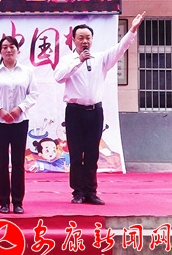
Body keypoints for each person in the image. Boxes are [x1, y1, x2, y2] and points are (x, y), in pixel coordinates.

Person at [53, 13, 145, 205]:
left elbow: (121, 48)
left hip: (95, 112)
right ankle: (77, 192)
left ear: (92, 40)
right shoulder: (68, 60)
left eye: (88, 38)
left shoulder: (101, 59)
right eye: (80, 38)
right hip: (74, 112)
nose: (85, 41)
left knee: (92, 153)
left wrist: (132, 29)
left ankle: (91, 192)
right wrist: (78, 61)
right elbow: (58, 77)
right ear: (74, 40)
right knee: (76, 153)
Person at [0, 36, 39, 214]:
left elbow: (33, 94)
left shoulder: (27, 72)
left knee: (18, 163)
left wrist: (19, 109)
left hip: (19, 121)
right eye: (5, 47)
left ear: (18, 50)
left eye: (12, 47)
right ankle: (3, 202)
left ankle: (18, 202)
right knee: (1, 163)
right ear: (0, 51)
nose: (8, 50)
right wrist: (0, 110)